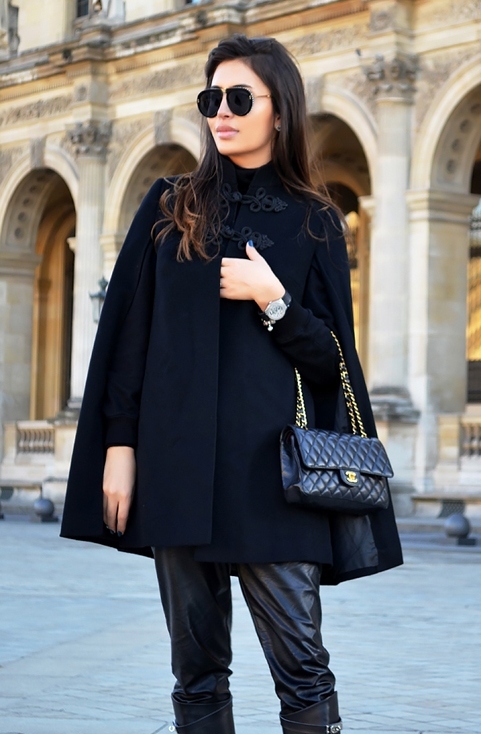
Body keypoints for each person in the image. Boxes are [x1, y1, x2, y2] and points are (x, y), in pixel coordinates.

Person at [61, 34, 403, 734]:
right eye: (211, 97)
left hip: (273, 478)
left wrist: (273, 299)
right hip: (177, 469)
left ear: (279, 110)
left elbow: (331, 361)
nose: (221, 111)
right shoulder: (169, 206)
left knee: (302, 668)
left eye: (240, 98)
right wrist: (118, 448)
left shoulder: (314, 219)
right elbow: (127, 339)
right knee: (194, 672)